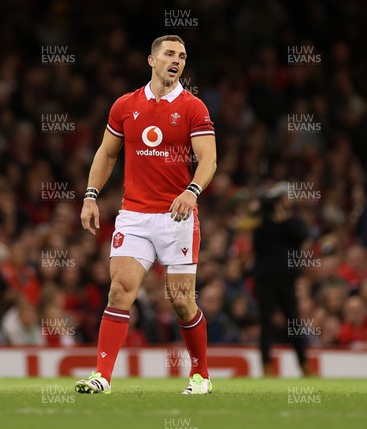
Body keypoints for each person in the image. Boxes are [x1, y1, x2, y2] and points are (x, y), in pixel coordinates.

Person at [75, 35, 217, 395]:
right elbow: (107, 154)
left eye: (182, 56)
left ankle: (200, 375)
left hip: (177, 217)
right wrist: (91, 196)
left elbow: (209, 159)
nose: (177, 60)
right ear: (151, 60)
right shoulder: (125, 105)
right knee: (120, 290)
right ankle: (102, 377)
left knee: (182, 301)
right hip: (134, 215)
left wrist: (192, 191)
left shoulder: (193, 107)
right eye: (169, 54)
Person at [253, 183, 310, 376]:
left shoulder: (293, 222)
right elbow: (258, 244)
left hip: (286, 280)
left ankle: (304, 364)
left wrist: (283, 220)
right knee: (266, 322)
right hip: (266, 279)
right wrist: (270, 219)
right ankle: (266, 365)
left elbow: (302, 235)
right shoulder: (264, 223)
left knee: (293, 321)